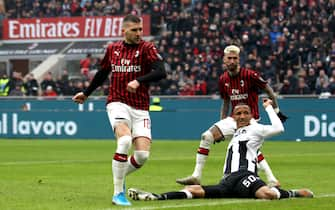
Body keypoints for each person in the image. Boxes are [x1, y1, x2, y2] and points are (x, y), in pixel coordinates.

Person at [128, 100, 313, 201]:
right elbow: (256, 154)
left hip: (244, 175)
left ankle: (294, 193)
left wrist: (269, 108)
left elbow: (279, 128)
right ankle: (155, 197)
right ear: (233, 117)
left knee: (268, 194)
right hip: (227, 180)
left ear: (251, 116)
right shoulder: (236, 134)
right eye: (238, 113)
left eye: (245, 113)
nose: (241, 116)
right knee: (194, 191)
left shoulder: (256, 129)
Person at [72, 14, 166, 206]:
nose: (139, 33)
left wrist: (139, 80)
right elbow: (102, 73)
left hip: (140, 108)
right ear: (124, 31)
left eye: (140, 29)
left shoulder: (147, 48)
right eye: (134, 30)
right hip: (117, 102)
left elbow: (161, 71)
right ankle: (117, 194)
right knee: (124, 141)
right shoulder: (113, 49)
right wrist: (87, 93)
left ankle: (119, 175)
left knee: (142, 156)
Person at [176, 45, 288, 187]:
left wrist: (277, 111)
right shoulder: (223, 79)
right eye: (229, 58)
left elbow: (269, 90)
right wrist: (222, 123)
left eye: (235, 58)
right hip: (233, 119)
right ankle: (196, 176)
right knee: (207, 136)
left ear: (239, 60)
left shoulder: (249, 75)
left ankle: (272, 179)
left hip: (251, 120)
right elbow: (226, 101)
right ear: (224, 60)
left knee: (250, 149)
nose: (232, 61)